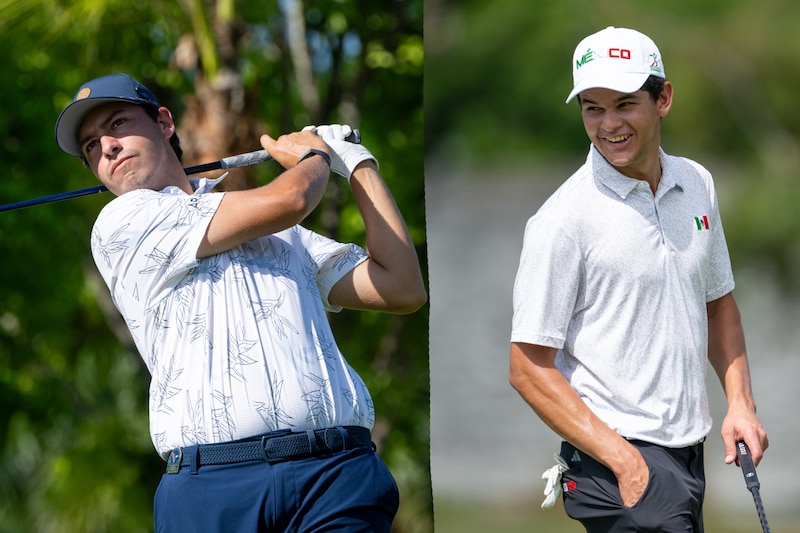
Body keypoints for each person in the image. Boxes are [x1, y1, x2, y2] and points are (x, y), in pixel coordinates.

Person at [54, 72, 427, 532]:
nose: (106, 146)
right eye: (91, 146)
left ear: (165, 123)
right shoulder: (121, 224)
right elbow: (292, 196)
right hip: (212, 488)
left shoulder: (282, 236)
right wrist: (314, 156)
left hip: (334, 477)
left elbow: (402, 287)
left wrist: (359, 166)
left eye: (117, 124)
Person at [508, 27, 768, 532]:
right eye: (592, 108)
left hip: (687, 454)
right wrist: (626, 462)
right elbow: (527, 367)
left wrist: (740, 403)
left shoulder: (696, 183)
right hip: (617, 463)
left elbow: (718, 303)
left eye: (625, 104)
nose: (609, 125)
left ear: (663, 98)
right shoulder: (562, 221)